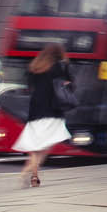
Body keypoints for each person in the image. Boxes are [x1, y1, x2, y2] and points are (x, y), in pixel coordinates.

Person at [14, 42, 72, 187]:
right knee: (45, 146)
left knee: (35, 147)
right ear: (59, 53)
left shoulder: (34, 67)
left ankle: (34, 176)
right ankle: (26, 172)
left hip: (35, 110)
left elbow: (29, 87)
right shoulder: (60, 66)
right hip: (53, 109)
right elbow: (70, 85)